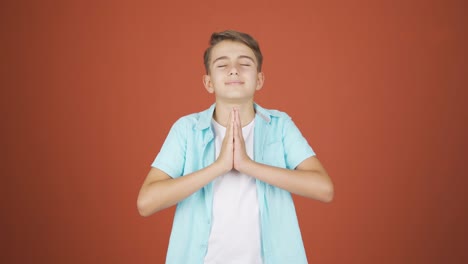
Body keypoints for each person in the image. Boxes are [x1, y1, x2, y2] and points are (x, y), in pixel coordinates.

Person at [137, 30, 334, 264]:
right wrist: (219, 167)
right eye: (222, 65)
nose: (234, 70)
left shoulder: (280, 126)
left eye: (245, 63)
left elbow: (324, 189)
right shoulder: (186, 130)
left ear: (259, 79)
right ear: (208, 82)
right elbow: (146, 203)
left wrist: (247, 165)